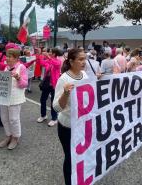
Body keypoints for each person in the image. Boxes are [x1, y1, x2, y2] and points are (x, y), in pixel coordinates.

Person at [53, 49, 88, 185]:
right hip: (67, 126)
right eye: (80, 59)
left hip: (83, 125)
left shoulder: (85, 74)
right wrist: (66, 93)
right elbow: (56, 107)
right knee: (70, 157)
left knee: (82, 155)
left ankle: (80, 178)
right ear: (71, 61)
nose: (84, 62)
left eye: (84, 58)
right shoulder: (64, 79)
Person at [0, 49, 28, 150]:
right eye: (7, 56)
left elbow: (25, 84)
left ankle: (15, 137)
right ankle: (8, 135)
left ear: (16, 58)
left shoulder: (21, 67)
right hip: (4, 96)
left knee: (14, 119)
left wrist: (19, 78)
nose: (7, 58)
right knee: (4, 118)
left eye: (10, 56)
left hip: (15, 97)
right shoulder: (6, 67)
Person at [36, 48, 63, 127]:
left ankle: (54, 119)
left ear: (54, 54)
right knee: (43, 100)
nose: (48, 53)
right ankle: (43, 115)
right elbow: (41, 63)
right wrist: (39, 54)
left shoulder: (58, 61)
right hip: (47, 84)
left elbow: (56, 64)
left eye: (50, 52)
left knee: (53, 102)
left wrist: (48, 56)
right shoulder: (49, 61)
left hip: (54, 85)